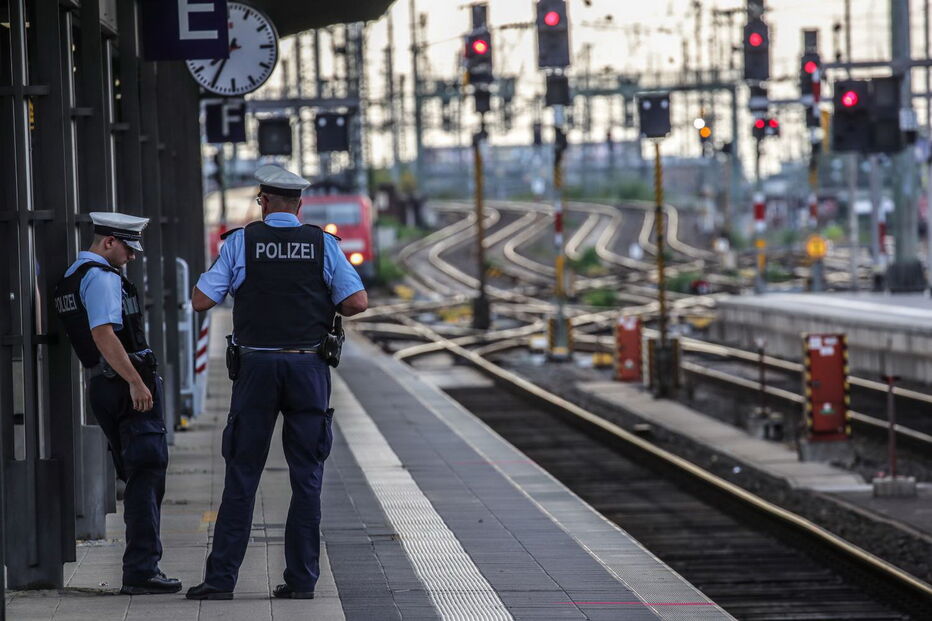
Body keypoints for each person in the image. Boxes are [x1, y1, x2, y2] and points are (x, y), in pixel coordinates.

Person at [186, 165, 368, 601]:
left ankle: (221, 581)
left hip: (256, 370)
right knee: (307, 477)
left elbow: (201, 300)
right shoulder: (323, 245)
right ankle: (302, 581)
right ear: (299, 206)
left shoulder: (240, 243)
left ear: (263, 202)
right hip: (307, 368)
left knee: (242, 474)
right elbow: (357, 301)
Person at [53, 212, 181, 595]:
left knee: (138, 472)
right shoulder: (102, 278)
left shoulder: (71, 277)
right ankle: (142, 570)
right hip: (125, 387)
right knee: (147, 473)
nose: (133, 256)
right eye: (128, 248)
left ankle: (142, 566)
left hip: (104, 385)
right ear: (108, 242)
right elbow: (104, 334)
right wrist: (136, 382)